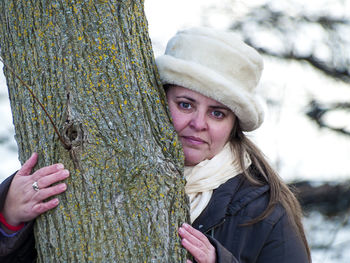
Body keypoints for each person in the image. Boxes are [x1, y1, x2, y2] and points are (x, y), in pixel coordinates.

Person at [0, 27, 311, 262]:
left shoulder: (266, 211)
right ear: (160, 102)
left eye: (217, 113)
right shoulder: (99, 164)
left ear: (233, 127)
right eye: (186, 104)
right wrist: (8, 219)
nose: (199, 123)